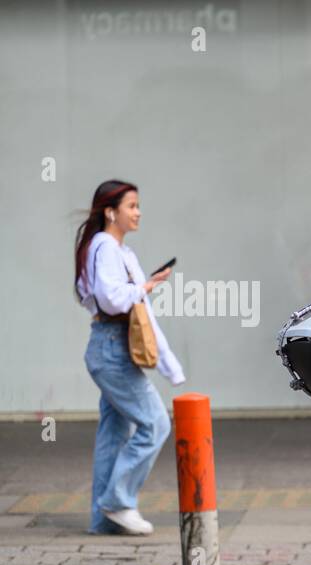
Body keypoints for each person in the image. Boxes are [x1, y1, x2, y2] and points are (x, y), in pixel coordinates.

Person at [74, 180, 185, 536]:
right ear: (111, 211)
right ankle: (119, 501)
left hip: (109, 346)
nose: (137, 213)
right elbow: (110, 299)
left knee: (113, 433)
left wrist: (143, 285)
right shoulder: (106, 246)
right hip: (112, 349)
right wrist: (145, 287)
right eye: (131, 206)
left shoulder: (112, 249)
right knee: (156, 424)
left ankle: (103, 519)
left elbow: (97, 295)